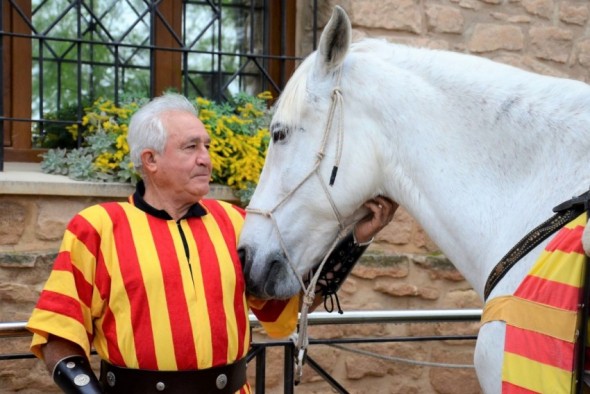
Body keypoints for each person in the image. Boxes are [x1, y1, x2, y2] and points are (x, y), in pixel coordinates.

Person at [26, 93, 396, 393]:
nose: (206, 158)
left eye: (206, 145)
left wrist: (354, 242)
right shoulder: (97, 228)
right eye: (191, 147)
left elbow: (291, 306)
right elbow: (58, 332)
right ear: (150, 160)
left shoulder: (235, 222)